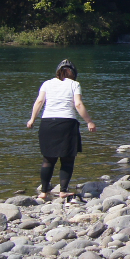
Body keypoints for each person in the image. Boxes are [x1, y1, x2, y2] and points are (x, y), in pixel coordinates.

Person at [26, 58, 95, 200]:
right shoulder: (74, 84)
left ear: (58, 71)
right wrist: (89, 121)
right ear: (73, 73)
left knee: (48, 159)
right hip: (67, 123)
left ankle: (44, 192)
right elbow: (78, 104)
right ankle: (63, 190)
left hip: (47, 124)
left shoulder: (47, 83)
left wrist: (32, 119)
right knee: (67, 159)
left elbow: (39, 101)